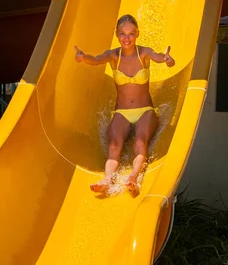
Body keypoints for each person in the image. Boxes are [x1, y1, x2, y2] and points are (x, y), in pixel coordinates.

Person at [74, 14, 175, 196]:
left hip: (145, 111)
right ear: (117, 35)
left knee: (139, 141)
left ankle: (133, 178)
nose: (126, 38)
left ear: (137, 34)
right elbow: (96, 59)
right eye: (122, 34)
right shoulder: (113, 56)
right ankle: (107, 180)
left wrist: (168, 60)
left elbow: (160, 57)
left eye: (130, 34)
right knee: (113, 144)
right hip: (122, 111)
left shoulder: (143, 53)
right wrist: (83, 57)